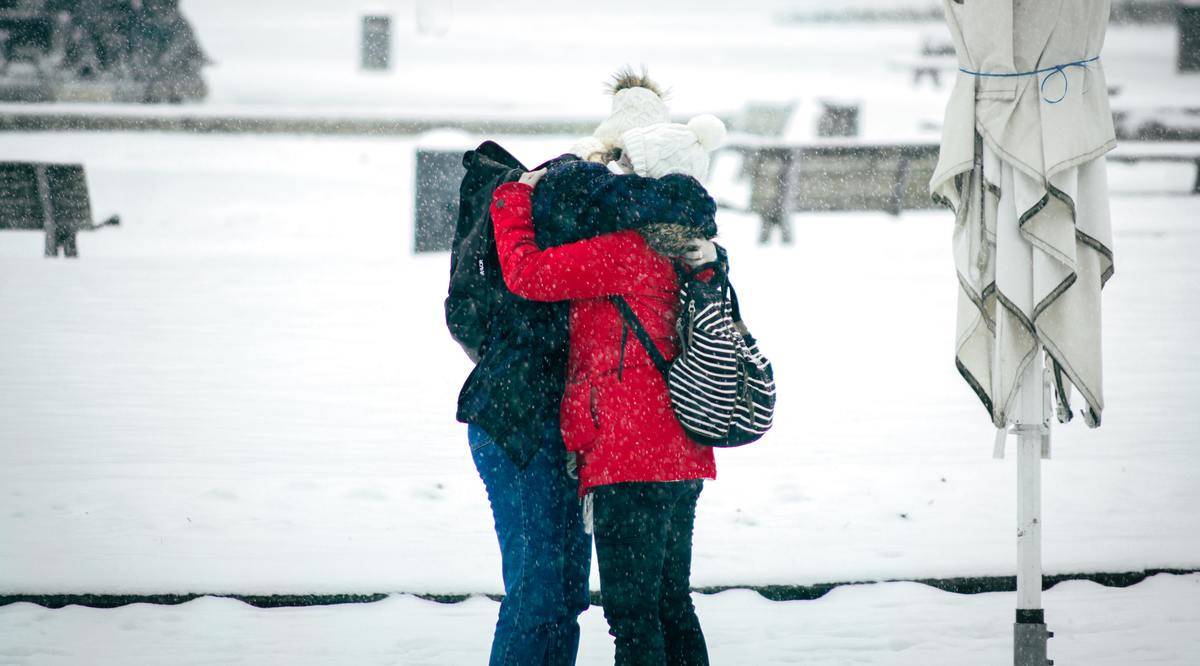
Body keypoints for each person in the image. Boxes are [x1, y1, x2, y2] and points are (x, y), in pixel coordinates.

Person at [448, 69, 718, 666]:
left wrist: (514, 200)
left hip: (626, 452)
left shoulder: (628, 247)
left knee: (624, 616)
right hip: (668, 446)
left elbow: (529, 273)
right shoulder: (695, 253)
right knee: (659, 604)